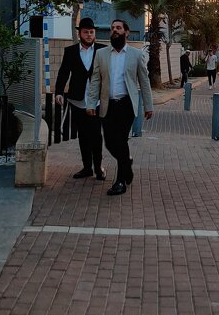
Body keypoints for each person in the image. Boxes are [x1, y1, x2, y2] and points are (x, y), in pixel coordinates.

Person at [86, 19, 153, 196]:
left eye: (118, 28)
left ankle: (120, 181)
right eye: (112, 28)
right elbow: (95, 81)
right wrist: (91, 103)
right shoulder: (101, 54)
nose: (115, 31)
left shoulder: (136, 55)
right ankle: (127, 164)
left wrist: (148, 105)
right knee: (109, 143)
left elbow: (144, 81)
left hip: (126, 105)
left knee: (121, 141)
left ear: (126, 32)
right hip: (107, 105)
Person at [54, 17, 106, 180]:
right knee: (83, 135)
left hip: (96, 100)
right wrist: (59, 92)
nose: (89, 35)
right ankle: (86, 167)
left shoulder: (103, 50)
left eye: (91, 32)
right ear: (80, 34)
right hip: (77, 99)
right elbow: (63, 73)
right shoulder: (70, 51)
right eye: (86, 32)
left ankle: (98, 168)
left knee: (96, 135)